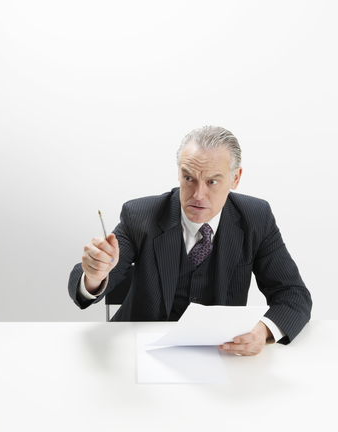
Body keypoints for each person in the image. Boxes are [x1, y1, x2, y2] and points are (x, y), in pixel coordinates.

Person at [67, 126, 312, 356]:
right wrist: (94, 276)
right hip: (141, 348)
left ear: (235, 178)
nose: (198, 195)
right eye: (188, 178)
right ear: (179, 173)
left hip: (217, 352)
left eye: (212, 182)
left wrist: (264, 330)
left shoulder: (256, 218)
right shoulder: (140, 215)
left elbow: (293, 294)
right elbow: (91, 280)